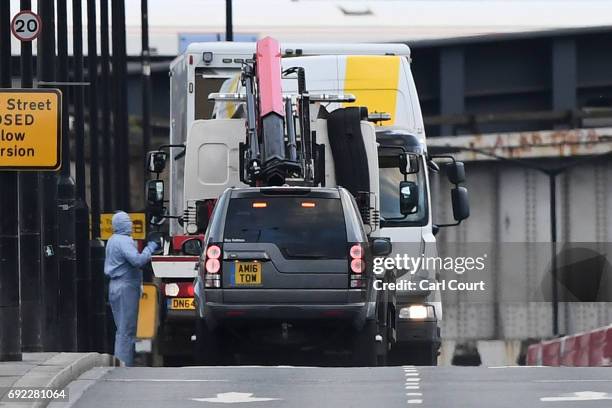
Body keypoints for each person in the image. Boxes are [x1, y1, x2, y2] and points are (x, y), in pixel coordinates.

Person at [104, 211, 159, 367]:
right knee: (127, 329)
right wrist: (151, 247)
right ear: (122, 225)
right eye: (127, 221)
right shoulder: (124, 241)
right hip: (126, 286)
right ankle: (124, 365)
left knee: (121, 328)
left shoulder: (112, 240)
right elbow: (137, 260)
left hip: (116, 286)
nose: (130, 224)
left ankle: (121, 361)